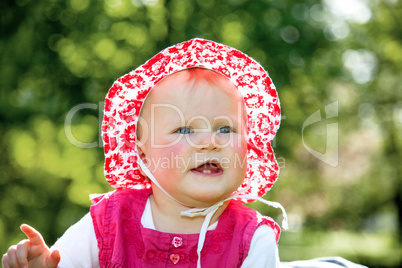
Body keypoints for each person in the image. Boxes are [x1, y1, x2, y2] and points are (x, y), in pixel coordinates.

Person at [2, 38, 288, 268]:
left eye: (226, 129)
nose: (209, 143)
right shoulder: (108, 222)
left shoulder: (253, 240)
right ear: (142, 153)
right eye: (185, 130)